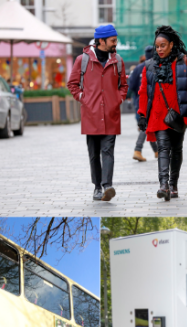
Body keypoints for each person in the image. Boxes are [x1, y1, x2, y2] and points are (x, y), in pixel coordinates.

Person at [137, 25, 187, 200]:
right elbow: (143, 92)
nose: (159, 49)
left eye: (163, 45)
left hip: (178, 114)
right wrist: (142, 114)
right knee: (163, 148)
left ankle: (173, 184)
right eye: (157, 46)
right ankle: (163, 185)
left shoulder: (185, 61)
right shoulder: (149, 66)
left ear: (172, 44)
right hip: (157, 114)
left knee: (176, 148)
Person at [68, 25, 128, 202]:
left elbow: (123, 85)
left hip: (111, 115)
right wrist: (83, 98)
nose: (115, 43)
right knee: (94, 154)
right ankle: (97, 187)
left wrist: (118, 99)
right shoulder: (82, 60)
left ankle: (107, 185)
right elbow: (72, 84)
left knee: (108, 151)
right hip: (91, 115)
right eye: (112, 40)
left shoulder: (118, 60)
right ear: (101, 41)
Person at [129, 46, 158, 162]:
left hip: (139, 103)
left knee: (146, 127)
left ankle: (157, 151)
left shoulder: (138, 69)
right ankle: (137, 150)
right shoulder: (157, 66)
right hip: (154, 103)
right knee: (145, 128)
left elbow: (131, 87)